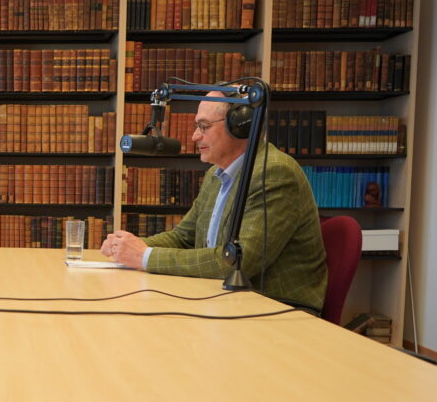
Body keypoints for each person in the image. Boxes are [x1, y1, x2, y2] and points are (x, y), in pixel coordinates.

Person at [101, 90, 328, 313]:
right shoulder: (215, 174)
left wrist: (145, 257)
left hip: (276, 308)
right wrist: (128, 247)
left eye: (204, 126)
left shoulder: (274, 173)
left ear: (240, 125)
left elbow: (237, 263)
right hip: (224, 298)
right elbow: (183, 238)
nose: (194, 137)